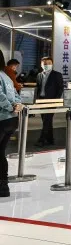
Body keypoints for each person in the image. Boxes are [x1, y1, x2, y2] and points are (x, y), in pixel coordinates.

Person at [0, 50, 24, 198]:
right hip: (11, 120)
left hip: (2, 118)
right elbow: (16, 95)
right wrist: (16, 105)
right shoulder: (6, 77)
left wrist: (9, 106)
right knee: (1, 153)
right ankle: (3, 186)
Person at [36, 56, 64, 147]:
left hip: (52, 101)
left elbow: (60, 88)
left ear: (52, 64)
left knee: (47, 120)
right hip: (42, 100)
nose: (47, 65)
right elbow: (38, 88)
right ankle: (50, 139)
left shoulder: (57, 74)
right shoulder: (39, 75)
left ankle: (41, 140)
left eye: (49, 63)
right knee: (46, 120)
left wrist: (56, 100)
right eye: (45, 63)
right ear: (41, 64)